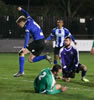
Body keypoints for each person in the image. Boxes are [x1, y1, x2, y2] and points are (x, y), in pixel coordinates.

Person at [14, 7, 52, 77]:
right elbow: (26, 13)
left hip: (38, 42)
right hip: (42, 42)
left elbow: (27, 36)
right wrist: (21, 9)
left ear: (22, 22)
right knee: (31, 60)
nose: (19, 26)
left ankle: (21, 72)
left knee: (21, 53)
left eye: (19, 24)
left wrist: (24, 47)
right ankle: (45, 57)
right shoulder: (29, 18)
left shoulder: (27, 26)